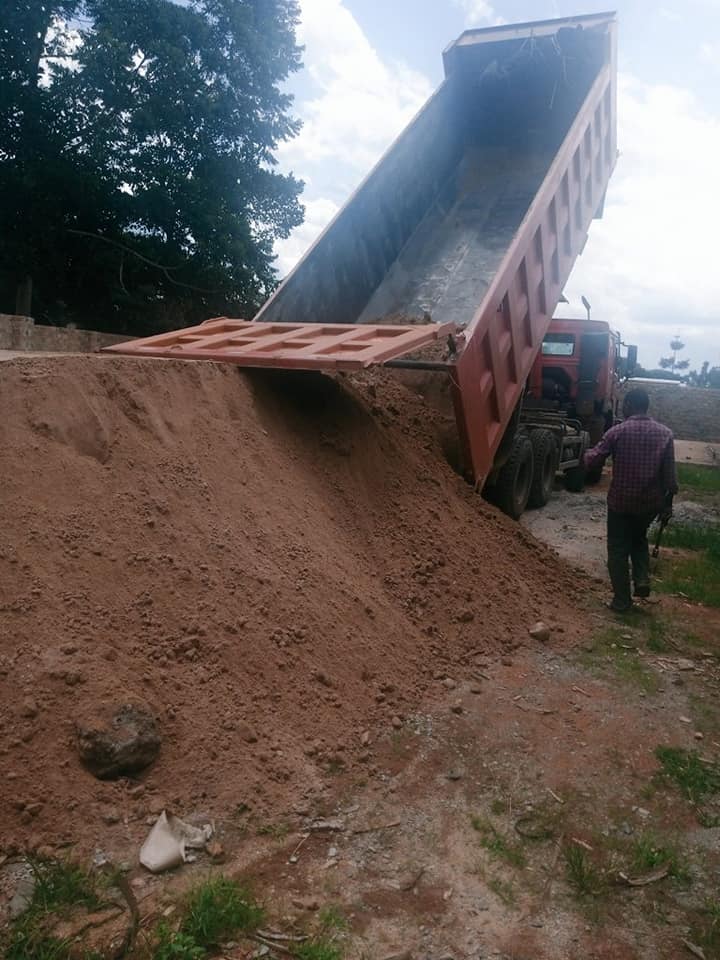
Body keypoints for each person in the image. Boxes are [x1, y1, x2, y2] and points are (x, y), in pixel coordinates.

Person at [584, 388, 678, 612]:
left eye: (624, 405)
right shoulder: (665, 434)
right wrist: (667, 505)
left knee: (617, 549)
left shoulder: (617, 432)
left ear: (628, 405)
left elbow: (594, 460)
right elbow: (670, 477)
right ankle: (642, 578)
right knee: (638, 539)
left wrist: (582, 454)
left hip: (620, 502)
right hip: (649, 504)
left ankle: (622, 601)